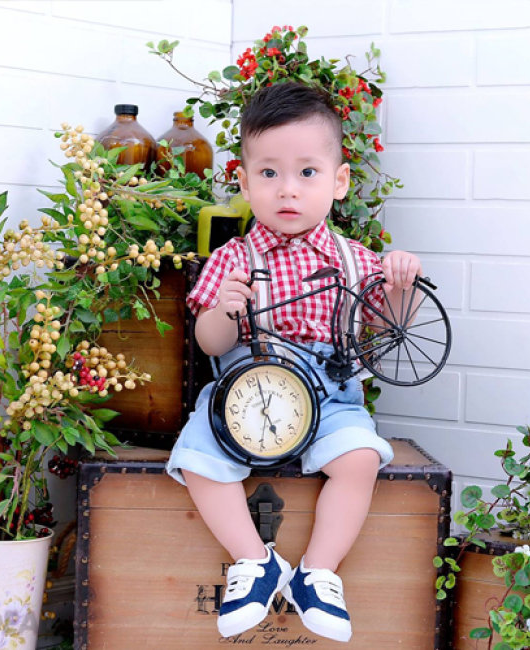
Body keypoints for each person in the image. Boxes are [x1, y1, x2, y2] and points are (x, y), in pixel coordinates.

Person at [166, 81, 422, 642]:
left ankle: (318, 573)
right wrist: (224, 310)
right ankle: (254, 561)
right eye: (269, 173)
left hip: (330, 395)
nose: (288, 189)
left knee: (360, 459)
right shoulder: (233, 258)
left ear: (339, 181)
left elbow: (385, 332)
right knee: (196, 459)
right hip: (244, 394)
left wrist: (400, 285)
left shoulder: (359, 262)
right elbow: (210, 344)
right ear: (244, 182)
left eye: (308, 172)